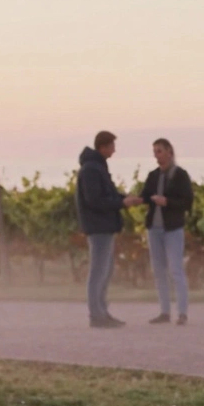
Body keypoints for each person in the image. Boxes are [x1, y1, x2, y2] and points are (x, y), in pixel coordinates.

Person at [77, 130, 140, 328]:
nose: (114, 150)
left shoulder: (98, 167)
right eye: (112, 146)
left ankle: (102, 311)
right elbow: (94, 200)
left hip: (104, 226)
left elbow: (107, 194)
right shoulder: (91, 169)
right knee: (98, 271)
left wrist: (124, 199)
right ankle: (97, 315)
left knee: (105, 270)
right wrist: (121, 204)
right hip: (98, 227)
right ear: (103, 147)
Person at [139, 138, 194, 325]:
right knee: (158, 271)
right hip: (154, 229)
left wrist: (168, 202)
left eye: (160, 151)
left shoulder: (180, 175)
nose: (157, 156)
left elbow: (187, 202)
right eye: (155, 152)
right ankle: (164, 312)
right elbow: (145, 196)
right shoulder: (153, 175)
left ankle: (182, 313)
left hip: (173, 229)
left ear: (170, 152)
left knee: (176, 270)